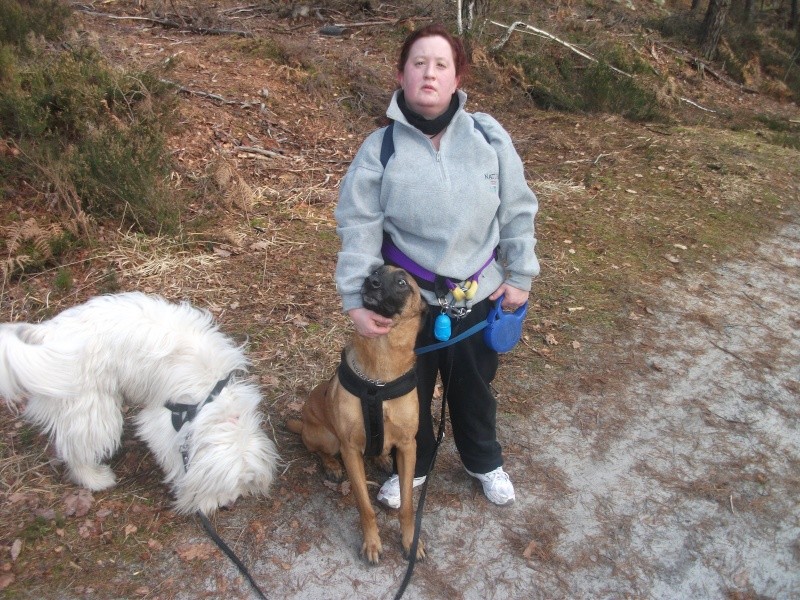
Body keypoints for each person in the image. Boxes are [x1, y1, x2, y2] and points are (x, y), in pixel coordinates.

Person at [334, 23, 539, 507]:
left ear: (456, 77)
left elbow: (516, 208)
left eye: (441, 64)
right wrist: (354, 299)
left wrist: (520, 275)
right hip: (409, 305)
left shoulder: (489, 137)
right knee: (409, 390)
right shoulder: (379, 149)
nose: (429, 73)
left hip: (480, 293)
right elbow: (358, 227)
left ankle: (483, 459)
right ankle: (416, 464)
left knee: (473, 389)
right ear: (402, 75)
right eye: (418, 63)